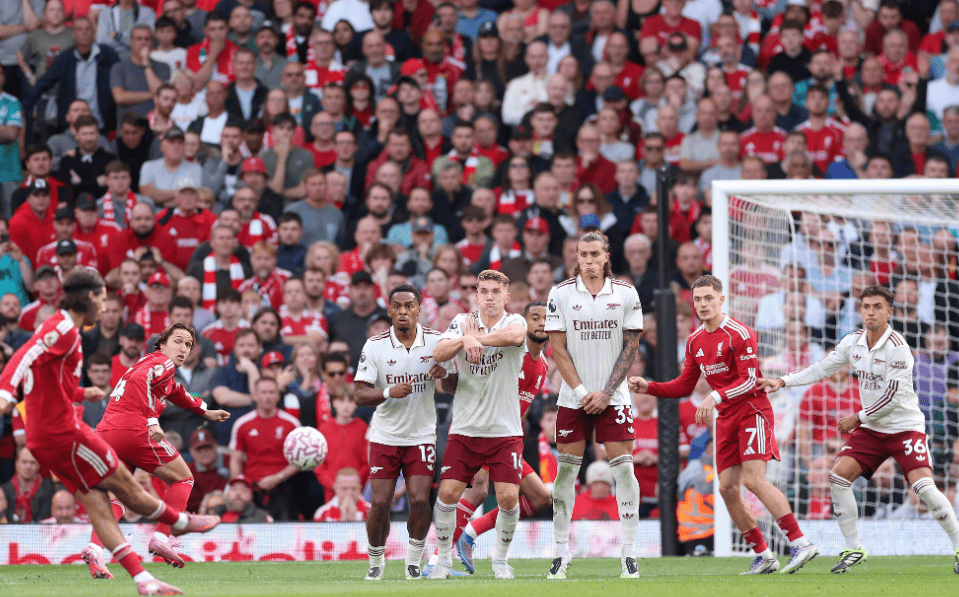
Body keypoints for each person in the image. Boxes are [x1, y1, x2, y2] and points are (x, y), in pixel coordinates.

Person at [0, 269, 219, 595]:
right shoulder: (63, 328)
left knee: (101, 502)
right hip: (65, 433)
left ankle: (142, 580)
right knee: (127, 485)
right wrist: (5, 393)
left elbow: (46, 381)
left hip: (49, 435)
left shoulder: (69, 333)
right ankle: (179, 522)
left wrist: (81, 394)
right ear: (88, 297)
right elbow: (23, 355)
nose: (104, 307)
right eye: (102, 298)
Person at [758, 285, 959, 574]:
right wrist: (785, 381)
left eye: (877, 306)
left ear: (890, 312)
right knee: (838, 477)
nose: (870, 312)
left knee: (924, 488)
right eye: (866, 306)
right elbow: (822, 368)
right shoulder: (852, 342)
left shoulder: (899, 348)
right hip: (872, 429)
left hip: (904, 428)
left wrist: (858, 417)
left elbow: (892, 397)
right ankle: (854, 548)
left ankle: (957, 547)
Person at [630, 275, 818, 575]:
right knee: (728, 488)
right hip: (727, 418)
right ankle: (764, 555)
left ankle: (799, 542)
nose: (703, 304)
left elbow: (749, 380)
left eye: (708, 298)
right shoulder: (694, 341)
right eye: (698, 300)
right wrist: (649, 387)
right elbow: (683, 385)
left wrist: (714, 396)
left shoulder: (739, 333)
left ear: (721, 300)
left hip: (753, 411)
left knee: (755, 481)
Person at [545, 230, 642, 580]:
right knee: (566, 471)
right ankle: (560, 552)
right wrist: (585, 390)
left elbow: (630, 348)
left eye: (593, 254)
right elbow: (558, 349)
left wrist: (605, 391)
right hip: (573, 398)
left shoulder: (627, 294)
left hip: (613, 396)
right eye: (581, 254)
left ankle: (629, 553)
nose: (587, 260)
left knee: (624, 471)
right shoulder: (560, 294)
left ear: (606, 257)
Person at [91, 322, 230, 567]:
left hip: (106, 432)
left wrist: (206, 412)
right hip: (133, 429)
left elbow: (178, 392)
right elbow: (142, 383)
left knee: (116, 497)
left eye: (188, 344)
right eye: (178, 341)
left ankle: (94, 548)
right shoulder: (161, 363)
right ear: (162, 344)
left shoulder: (149, 365)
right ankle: (161, 537)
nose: (183, 348)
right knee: (183, 478)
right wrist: (153, 420)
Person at [429, 269, 527, 580]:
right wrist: (463, 337)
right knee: (446, 495)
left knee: (510, 498)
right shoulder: (460, 321)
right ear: (476, 295)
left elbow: (514, 338)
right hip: (465, 430)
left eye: (495, 292)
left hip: (505, 430)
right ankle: (443, 561)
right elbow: (438, 352)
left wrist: (474, 338)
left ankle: (500, 560)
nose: (489, 297)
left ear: (506, 297)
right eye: (483, 291)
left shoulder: (515, 321)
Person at [352, 284, 452, 580]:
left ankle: (412, 560)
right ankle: (375, 560)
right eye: (398, 306)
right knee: (380, 503)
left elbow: (456, 386)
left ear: (419, 310)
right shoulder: (375, 346)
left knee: (420, 500)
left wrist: (446, 374)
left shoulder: (437, 342)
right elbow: (359, 395)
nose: (403, 311)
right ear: (389, 310)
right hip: (385, 436)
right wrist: (387, 392)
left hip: (421, 436)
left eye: (409, 306)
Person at [452, 301, 551, 573]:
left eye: (547, 318)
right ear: (522, 323)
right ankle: (440, 557)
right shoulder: (510, 354)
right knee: (478, 489)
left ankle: (468, 535)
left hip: (506, 437)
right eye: (535, 318)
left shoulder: (542, 365)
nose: (542, 323)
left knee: (541, 498)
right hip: (483, 429)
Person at [229, 377, 302, 521]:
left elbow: (299, 460)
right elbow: (235, 460)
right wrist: (239, 488)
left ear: (277, 395)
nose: (267, 397)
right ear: (255, 395)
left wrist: (279, 477)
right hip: (254, 488)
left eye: (271, 392)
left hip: (285, 486)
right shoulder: (242, 424)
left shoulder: (291, 423)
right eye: (263, 392)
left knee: (286, 533)